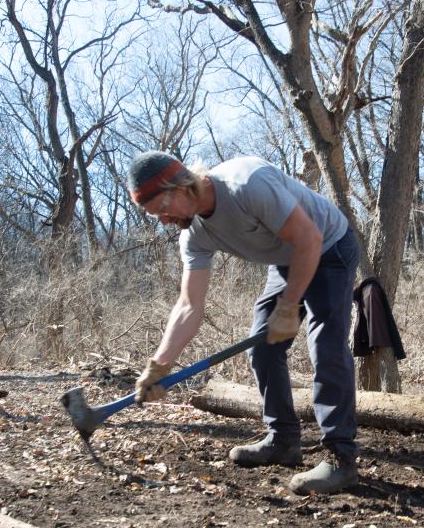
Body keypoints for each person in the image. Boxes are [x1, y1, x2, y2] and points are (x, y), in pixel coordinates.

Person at [129, 150, 361, 495]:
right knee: (263, 348)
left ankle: (340, 457)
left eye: (161, 209)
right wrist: (160, 364)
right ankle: (283, 440)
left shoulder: (246, 183)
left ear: (179, 187)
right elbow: (189, 305)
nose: (162, 219)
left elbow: (308, 239)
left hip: (328, 246)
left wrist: (289, 306)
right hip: (287, 258)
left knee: (325, 344)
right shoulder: (193, 235)